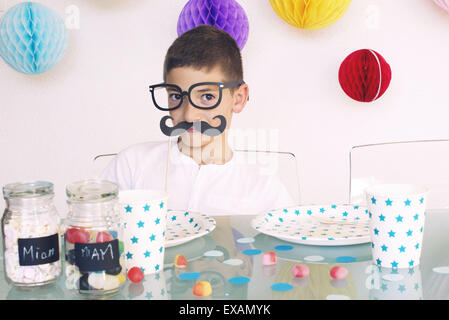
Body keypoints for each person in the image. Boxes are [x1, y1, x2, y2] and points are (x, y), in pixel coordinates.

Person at [100, 25, 295, 215]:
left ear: (238, 98)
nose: (189, 116)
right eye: (176, 96)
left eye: (207, 97)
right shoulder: (131, 166)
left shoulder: (263, 189)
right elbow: (92, 232)